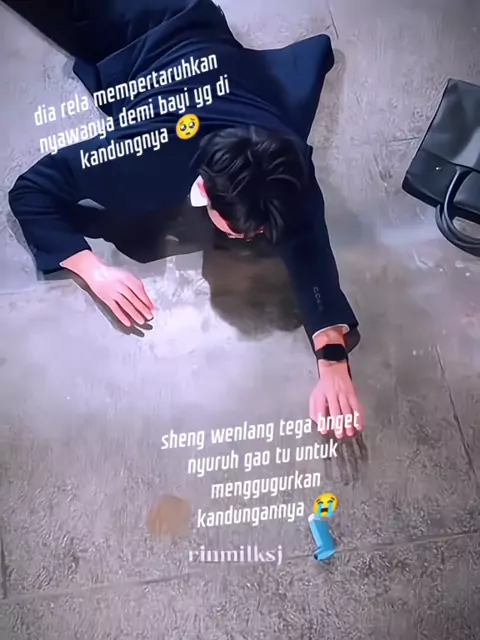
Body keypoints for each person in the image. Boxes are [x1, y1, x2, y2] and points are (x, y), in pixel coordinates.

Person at [4, 0, 364, 438]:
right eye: (246, 230)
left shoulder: (283, 160)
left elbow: (308, 238)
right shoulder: (138, 156)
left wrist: (332, 359)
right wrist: (93, 269)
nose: (256, 237)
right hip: (119, 22)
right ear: (204, 191)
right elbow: (31, 190)